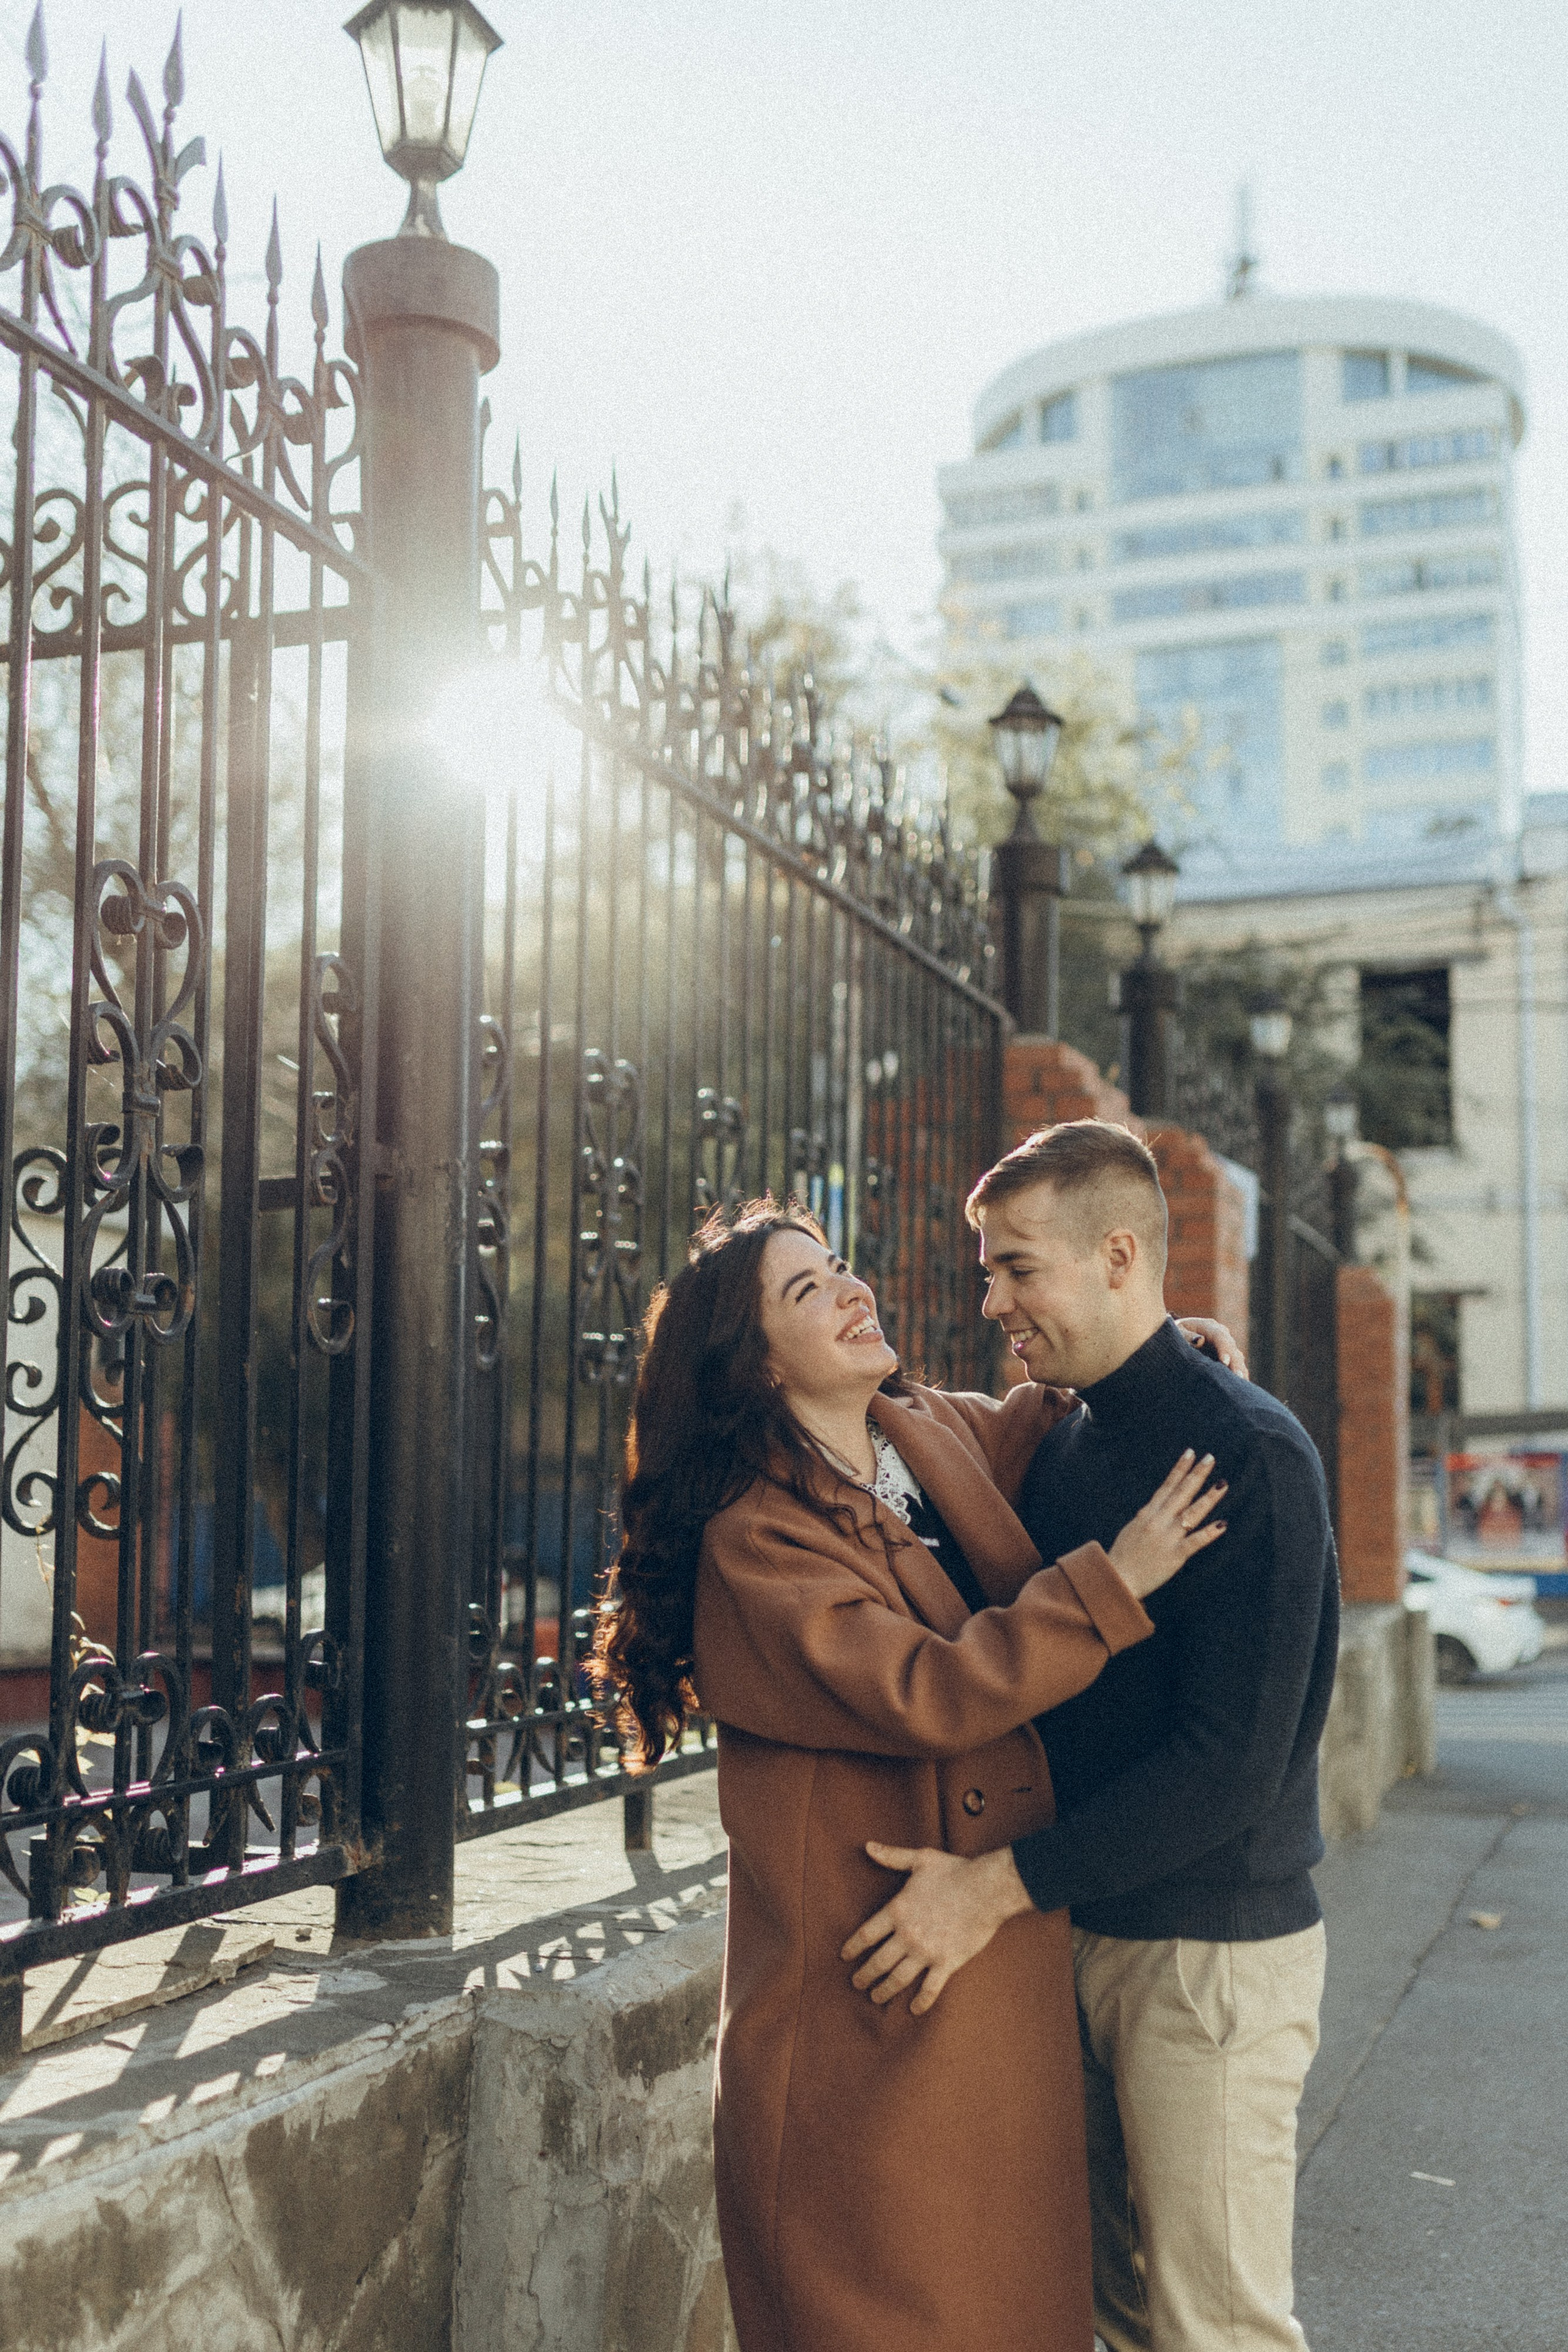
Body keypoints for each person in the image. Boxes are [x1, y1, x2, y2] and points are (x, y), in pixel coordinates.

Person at [594, 1200, 1237, 2352]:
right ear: (756, 1366)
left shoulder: (920, 1431)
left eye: (840, 1265)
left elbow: (1036, 1423)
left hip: (978, 1974)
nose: (853, 1290)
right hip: (864, 2018)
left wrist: (1156, 1350)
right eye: (807, 1291)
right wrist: (1117, 1580)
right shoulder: (757, 1536)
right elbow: (928, 1690)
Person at [844, 1121, 1338, 2352]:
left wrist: (993, 1889)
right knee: (1107, 2318)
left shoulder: (1248, 1452)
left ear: (1118, 1256)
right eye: (987, 1272)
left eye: (1018, 1268)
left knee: (1214, 2329)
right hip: (1068, 1938)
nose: (992, 1302)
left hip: (1208, 1960)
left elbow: (1234, 1767)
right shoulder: (1058, 1443)